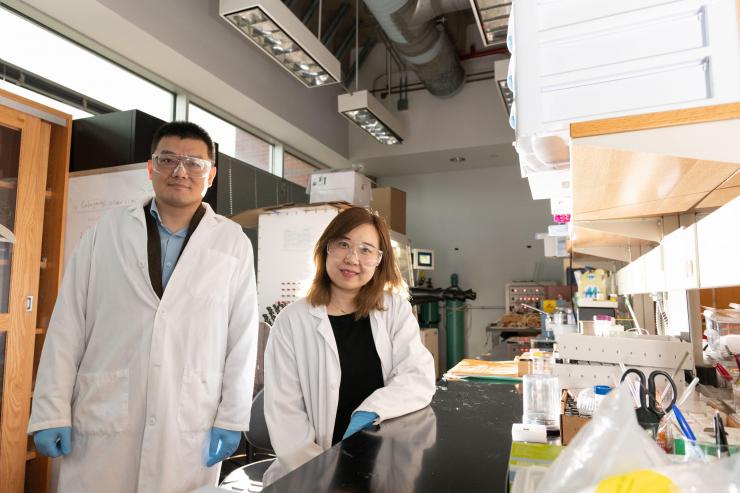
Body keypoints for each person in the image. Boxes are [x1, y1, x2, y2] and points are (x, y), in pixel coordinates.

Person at [28, 121, 259, 493]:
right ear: (150, 168)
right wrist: (50, 410)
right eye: (168, 160)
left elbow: (242, 339)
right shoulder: (106, 232)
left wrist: (232, 416)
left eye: (194, 163)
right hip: (105, 414)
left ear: (211, 175)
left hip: (187, 419)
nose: (180, 171)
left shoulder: (232, 244)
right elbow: (68, 323)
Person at [263, 207, 436, 484]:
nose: (352, 258)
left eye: (366, 249)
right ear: (326, 249)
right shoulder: (293, 320)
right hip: (312, 469)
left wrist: (373, 409)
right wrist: (322, 475)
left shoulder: (394, 310)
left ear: (379, 261)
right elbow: (285, 411)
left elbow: (418, 376)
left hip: (384, 464)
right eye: (343, 244)